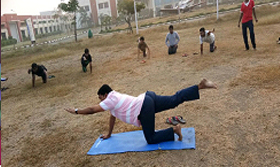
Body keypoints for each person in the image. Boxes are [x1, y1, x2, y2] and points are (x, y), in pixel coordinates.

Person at [65, 79, 217, 144]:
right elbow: (112, 118)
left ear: (105, 95)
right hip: (147, 97)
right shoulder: (114, 100)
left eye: (100, 98)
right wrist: (109, 134)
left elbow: (92, 110)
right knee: (173, 100)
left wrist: (77, 111)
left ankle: (174, 130)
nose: (101, 102)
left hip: (144, 108)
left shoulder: (110, 99)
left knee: (150, 139)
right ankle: (199, 86)